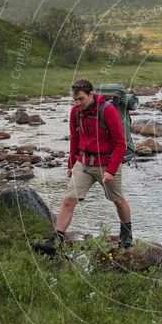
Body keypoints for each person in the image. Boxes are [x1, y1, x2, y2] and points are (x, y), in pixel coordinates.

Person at [32, 79, 132, 257]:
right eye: (75, 100)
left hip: (107, 163)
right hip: (84, 163)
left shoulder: (107, 111)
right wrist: (71, 164)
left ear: (91, 94)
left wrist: (111, 169)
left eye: (81, 99)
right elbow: (74, 139)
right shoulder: (75, 112)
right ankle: (55, 243)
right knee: (69, 200)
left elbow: (120, 143)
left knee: (117, 200)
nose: (77, 103)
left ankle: (126, 233)